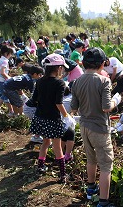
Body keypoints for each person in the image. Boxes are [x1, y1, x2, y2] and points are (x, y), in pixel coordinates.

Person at [71, 47, 122, 207]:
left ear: (84, 63)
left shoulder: (76, 82)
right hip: (99, 128)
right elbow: (107, 107)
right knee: (106, 164)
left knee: (91, 159)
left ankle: (91, 189)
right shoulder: (104, 80)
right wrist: (117, 100)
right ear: (102, 64)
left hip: (84, 126)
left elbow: (74, 108)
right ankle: (103, 202)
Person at [29, 54, 71, 182]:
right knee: (57, 147)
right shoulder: (60, 83)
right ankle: (63, 174)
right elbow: (58, 103)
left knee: (46, 142)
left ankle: (40, 166)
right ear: (58, 68)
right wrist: (66, 116)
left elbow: (34, 99)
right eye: (62, 68)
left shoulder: (40, 81)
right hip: (53, 119)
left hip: (40, 117)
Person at [0, 46, 15, 114]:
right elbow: (2, 72)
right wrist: (9, 78)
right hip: (0, 81)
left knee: (4, 94)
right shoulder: (5, 61)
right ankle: (11, 111)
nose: (11, 55)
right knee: (7, 95)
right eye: (10, 54)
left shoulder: (2, 58)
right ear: (6, 53)